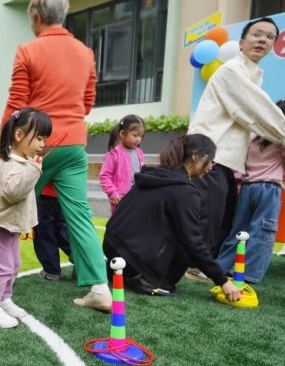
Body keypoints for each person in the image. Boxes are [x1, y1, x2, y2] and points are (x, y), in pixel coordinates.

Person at [0, 0, 111, 311]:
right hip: (74, 144)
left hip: (36, 143)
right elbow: (87, 104)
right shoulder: (85, 52)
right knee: (79, 215)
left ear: (37, 17)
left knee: (4, 203)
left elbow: (17, 106)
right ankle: (99, 287)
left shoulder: (28, 50)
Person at [188, 17, 285, 266]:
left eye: (269, 37)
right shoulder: (232, 71)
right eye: (256, 34)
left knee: (226, 214)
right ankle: (195, 265)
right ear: (241, 42)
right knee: (210, 214)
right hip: (209, 154)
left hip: (224, 158)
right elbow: (260, 113)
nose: (262, 40)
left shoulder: (252, 75)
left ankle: (207, 264)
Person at [103, 134, 240, 301]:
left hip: (112, 244)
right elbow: (194, 242)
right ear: (195, 156)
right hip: (130, 255)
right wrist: (223, 280)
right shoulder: (185, 192)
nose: (211, 167)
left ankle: (114, 270)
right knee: (188, 241)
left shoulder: (158, 175)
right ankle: (158, 283)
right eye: (210, 161)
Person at [0, 107, 49, 328]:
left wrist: (32, 168)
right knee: (3, 269)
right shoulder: (10, 162)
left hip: (8, 226)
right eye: (39, 138)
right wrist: (34, 171)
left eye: (44, 139)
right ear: (19, 135)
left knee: (14, 265)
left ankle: (4, 299)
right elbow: (13, 193)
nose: (43, 144)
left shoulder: (23, 161)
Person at [216, 99, 285, 284]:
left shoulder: (253, 135)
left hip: (247, 187)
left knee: (239, 229)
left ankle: (222, 267)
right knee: (262, 232)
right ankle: (249, 274)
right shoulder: (281, 138)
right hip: (269, 188)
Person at [99, 115, 145, 214]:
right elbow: (104, 176)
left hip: (137, 197)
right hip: (120, 200)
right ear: (122, 134)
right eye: (135, 135)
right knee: (121, 223)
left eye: (141, 136)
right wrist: (112, 193)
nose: (138, 139)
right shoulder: (113, 155)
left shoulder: (139, 152)